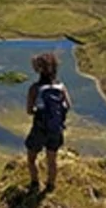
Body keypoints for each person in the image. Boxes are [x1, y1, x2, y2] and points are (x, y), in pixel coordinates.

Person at [24, 52, 72, 191]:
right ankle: (50, 186)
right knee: (52, 160)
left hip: (39, 128)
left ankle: (34, 184)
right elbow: (68, 106)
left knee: (31, 158)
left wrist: (38, 111)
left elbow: (29, 110)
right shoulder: (61, 87)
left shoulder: (34, 88)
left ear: (39, 70)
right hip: (55, 130)